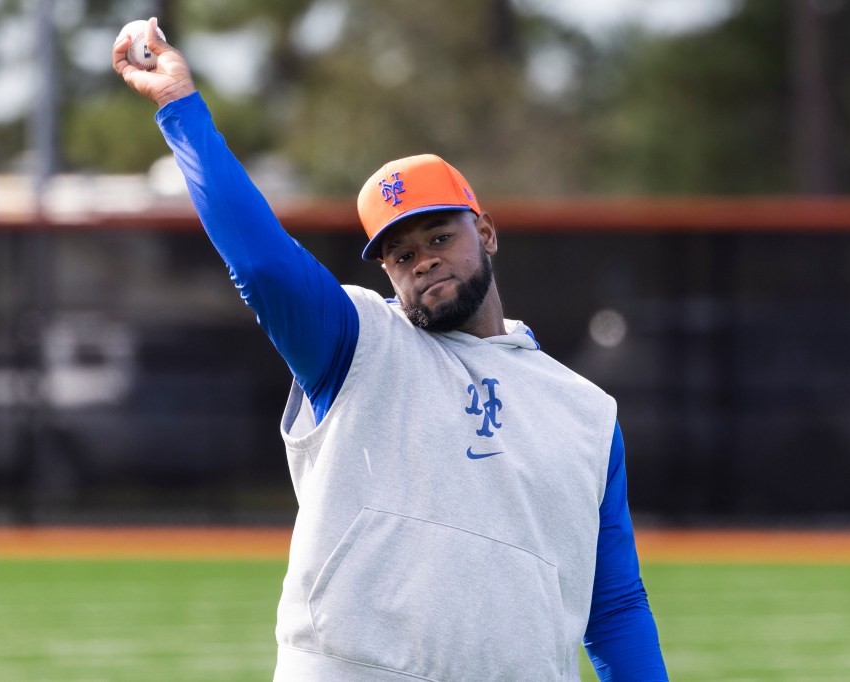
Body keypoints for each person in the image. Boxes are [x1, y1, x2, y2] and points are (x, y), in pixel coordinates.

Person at [113, 17, 667, 682]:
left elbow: (613, 609)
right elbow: (262, 266)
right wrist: (180, 106)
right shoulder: (355, 344)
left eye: (439, 238)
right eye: (401, 254)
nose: (423, 262)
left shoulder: (585, 413)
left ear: (485, 232)